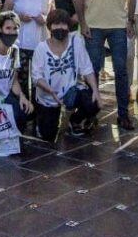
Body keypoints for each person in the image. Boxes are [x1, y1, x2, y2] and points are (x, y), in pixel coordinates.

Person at [75, 0, 138, 131]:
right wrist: (82, 22)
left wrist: (130, 19)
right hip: (93, 25)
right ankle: (91, 113)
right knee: (92, 71)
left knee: (121, 71)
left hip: (119, 25)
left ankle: (123, 114)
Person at [33, 10, 101, 140]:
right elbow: (36, 77)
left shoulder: (76, 42)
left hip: (70, 92)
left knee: (93, 102)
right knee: (48, 135)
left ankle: (75, 121)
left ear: (68, 26)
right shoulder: (41, 48)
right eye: (56, 24)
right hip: (48, 97)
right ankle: (41, 120)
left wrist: (96, 91)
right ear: (49, 27)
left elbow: (87, 68)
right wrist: (50, 91)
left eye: (63, 24)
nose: (60, 28)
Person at [3, 0, 54, 95]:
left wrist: (46, 19)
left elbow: (53, 16)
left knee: (40, 79)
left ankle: (40, 111)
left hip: (41, 43)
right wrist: (18, 17)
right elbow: (4, 13)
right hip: (20, 44)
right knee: (21, 80)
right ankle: (24, 111)